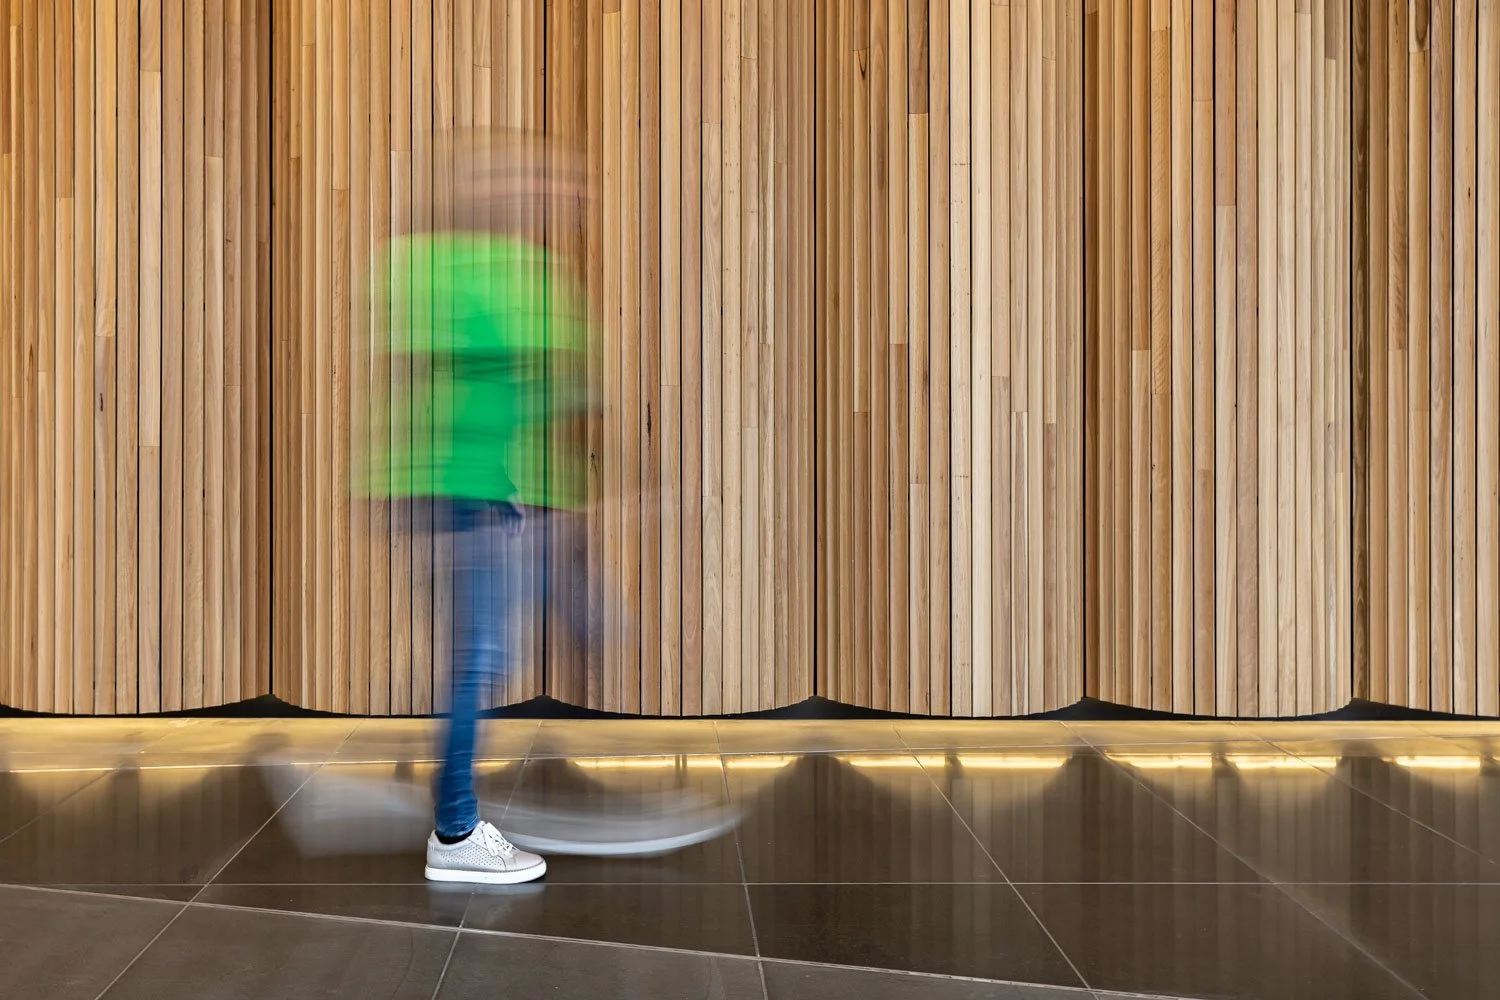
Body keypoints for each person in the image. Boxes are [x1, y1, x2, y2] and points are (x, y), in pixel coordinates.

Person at [365, 131, 592, 884]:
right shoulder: (444, 269)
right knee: (477, 663)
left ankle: (457, 818)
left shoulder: (529, 274)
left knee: (485, 656)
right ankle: (457, 831)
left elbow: (546, 398)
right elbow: (439, 384)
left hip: (489, 495)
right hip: (461, 494)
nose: (538, 196)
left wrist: (553, 505)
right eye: (523, 183)